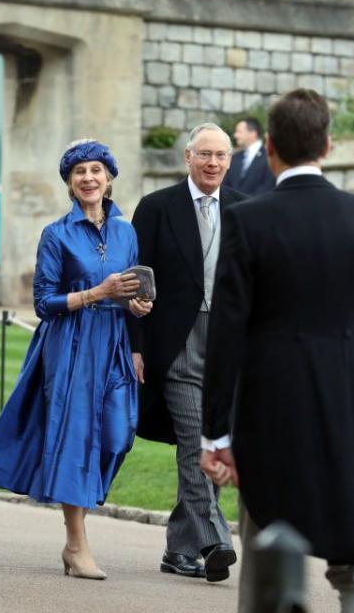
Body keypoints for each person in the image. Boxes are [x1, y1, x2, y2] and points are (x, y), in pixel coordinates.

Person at [199, 89, 354, 612]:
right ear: (327, 144)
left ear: (271, 147)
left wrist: (216, 433)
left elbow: (227, 333)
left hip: (270, 406)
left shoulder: (248, 220)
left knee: (267, 553)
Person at [0, 140, 152, 580]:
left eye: (96, 170)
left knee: (117, 435)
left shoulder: (127, 232)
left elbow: (127, 290)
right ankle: (77, 544)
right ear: (70, 183)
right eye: (79, 172)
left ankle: (77, 529)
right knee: (76, 440)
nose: (88, 178)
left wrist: (134, 311)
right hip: (70, 344)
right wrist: (98, 293)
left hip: (113, 342)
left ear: (109, 178)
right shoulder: (57, 234)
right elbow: (43, 302)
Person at [127, 123, 247, 582]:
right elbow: (135, 279)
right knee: (197, 441)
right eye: (205, 155)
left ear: (229, 162)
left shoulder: (245, 210)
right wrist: (136, 347)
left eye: (221, 156)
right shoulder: (157, 208)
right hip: (175, 345)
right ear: (187, 157)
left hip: (228, 346)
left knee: (214, 441)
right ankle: (216, 537)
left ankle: (179, 549)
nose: (213, 163)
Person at [225, 117, 275, 196]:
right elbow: (225, 184)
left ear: (253, 133)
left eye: (239, 132)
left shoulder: (270, 157)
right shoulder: (234, 158)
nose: (235, 135)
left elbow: (268, 186)